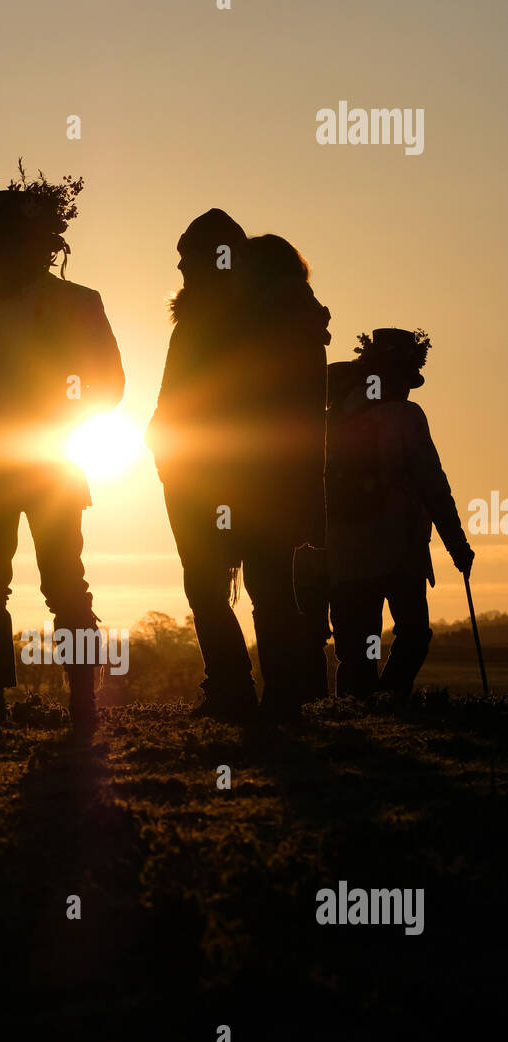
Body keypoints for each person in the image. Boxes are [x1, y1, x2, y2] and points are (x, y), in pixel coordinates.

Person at [148, 214, 331, 721]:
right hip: (246, 476)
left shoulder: (224, 316)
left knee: (216, 585)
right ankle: (276, 694)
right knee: (262, 586)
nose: (181, 267)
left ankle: (237, 687)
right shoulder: (274, 316)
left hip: (210, 476)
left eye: (190, 257)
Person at [0, 164, 124, 735]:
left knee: (63, 582)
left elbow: (111, 384)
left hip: (52, 460)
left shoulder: (80, 302)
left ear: (34, 246)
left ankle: (84, 705)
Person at [325, 329, 474, 698]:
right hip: (400, 547)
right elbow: (433, 486)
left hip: (344, 549)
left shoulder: (333, 417)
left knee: (357, 644)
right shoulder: (406, 416)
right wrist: (457, 545)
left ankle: (356, 714)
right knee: (413, 633)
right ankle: (389, 701)